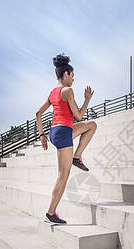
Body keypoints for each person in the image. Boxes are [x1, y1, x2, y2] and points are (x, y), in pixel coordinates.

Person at [36, 54, 97, 224]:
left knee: (91, 125)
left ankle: (76, 156)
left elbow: (38, 113)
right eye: (72, 76)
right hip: (63, 132)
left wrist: (42, 135)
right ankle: (50, 213)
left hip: (56, 131)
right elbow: (78, 116)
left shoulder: (52, 93)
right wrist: (86, 100)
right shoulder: (67, 91)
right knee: (63, 176)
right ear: (66, 74)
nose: (73, 80)